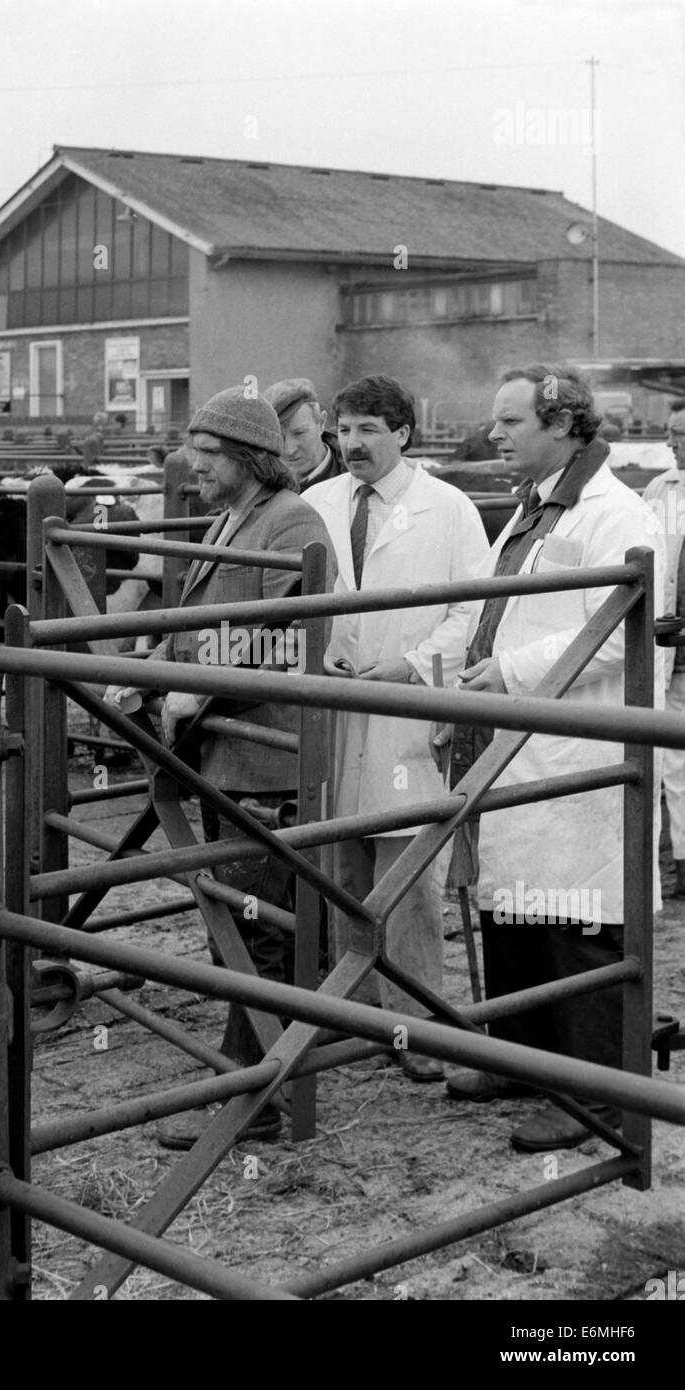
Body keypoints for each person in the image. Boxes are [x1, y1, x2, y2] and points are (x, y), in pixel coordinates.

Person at [444, 363, 666, 1151]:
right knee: (514, 905)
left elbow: (616, 627)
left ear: (564, 425)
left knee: (575, 913)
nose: (494, 435)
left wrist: (508, 671)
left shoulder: (617, 514)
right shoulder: (535, 507)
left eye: (510, 423)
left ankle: (595, 1093)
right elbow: (495, 604)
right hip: (519, 735)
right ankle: (520, 1057)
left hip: (578, 743)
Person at [105, 386, 334, 1149]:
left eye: (205, 456)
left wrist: (195, 682)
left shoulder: (293, 521)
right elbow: (201, 620)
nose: (190, 468)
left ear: (246, 458)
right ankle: (257, 1077)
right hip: (223, 751)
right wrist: (150, 661)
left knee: (258, 930)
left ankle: (256, 1101)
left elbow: (283, 633)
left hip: (265, 756)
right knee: (239, 923)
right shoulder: (229, 517)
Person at [303, 374, 488, 1082]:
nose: (351, 444)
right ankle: (359, 1015)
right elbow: (303, 599)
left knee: (407, 873)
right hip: (335, 702)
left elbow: (470, 610)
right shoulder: (318, 503)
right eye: (343, 431)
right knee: (339, 864)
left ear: (403, 433)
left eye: (368, 430)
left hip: (408, 704)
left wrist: (411, 667)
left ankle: (420, 1023)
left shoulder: (448, 508)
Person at [642, 403, 685, 895]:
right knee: (673, 763)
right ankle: (681, 866)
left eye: (681, 434)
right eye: (669, 433)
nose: (673, 443)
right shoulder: (664, 489)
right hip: (674, 646)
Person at [263, 377, 345, 489]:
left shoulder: (359, 476)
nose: (289, 450)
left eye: (299, 433)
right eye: (278, 437)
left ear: (321, 422)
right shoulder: (254, 484)